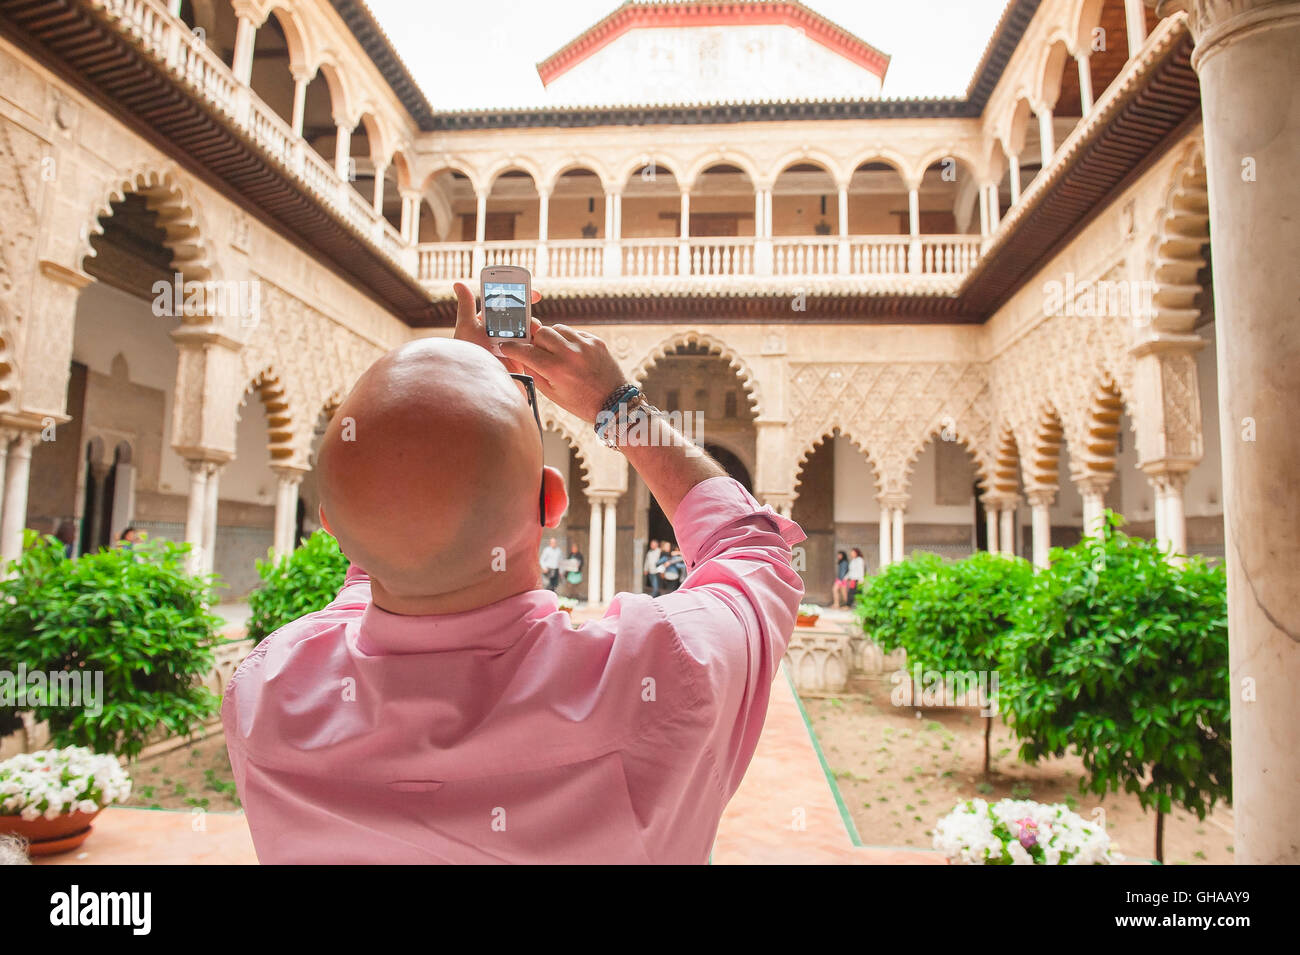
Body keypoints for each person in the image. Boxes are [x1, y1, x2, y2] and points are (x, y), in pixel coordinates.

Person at [222, 281, 806, 864]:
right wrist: (621, 410)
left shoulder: (266, 697)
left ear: (331, 525)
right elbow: (753, 550)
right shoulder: (663, 677)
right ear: (553, 501)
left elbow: (389, 546)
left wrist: (443, 400)